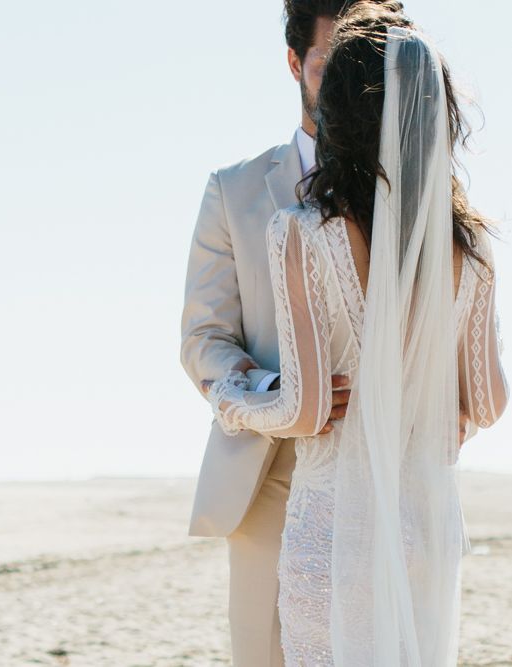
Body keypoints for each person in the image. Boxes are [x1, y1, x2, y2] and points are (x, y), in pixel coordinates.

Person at [204, 2, 509, 664]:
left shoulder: (301, 231)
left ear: (340, 113)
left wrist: (231, 397)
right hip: (425, 531)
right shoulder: (473, 246)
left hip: (333, 529)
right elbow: (485, 402)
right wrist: (435, 400)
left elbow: (307, 408)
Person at [180, 1, 417, 665]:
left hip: (392, 475)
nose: (349, 87)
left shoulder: (418, 193)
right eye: (328, 65)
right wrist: (281, 394)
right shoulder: (233, 192)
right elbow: (202, 340)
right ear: (293, 64)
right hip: (270, 474)